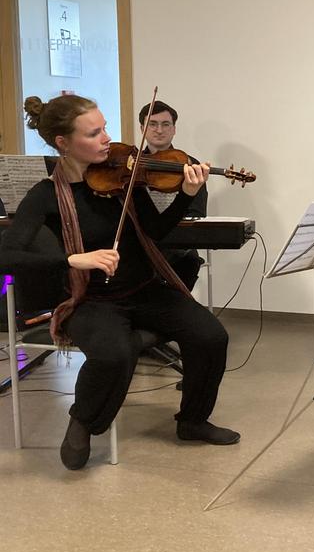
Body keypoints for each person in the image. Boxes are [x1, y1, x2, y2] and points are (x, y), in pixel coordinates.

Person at [0, 94, 239, 471]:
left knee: (211, 336)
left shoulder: (122, 178)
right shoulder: (45, 196)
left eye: (105, 128)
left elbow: (155, 231)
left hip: (144, 290)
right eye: (94, 133)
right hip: (91, 299)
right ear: (63, 143)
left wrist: (186, 196)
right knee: (114, 353)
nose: (107, 138)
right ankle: (83, 420)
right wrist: (71, 259)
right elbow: (7, 255)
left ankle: (193, 421)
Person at [138, 100, 207, 290]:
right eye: (152, 124)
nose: (159, 130)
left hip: (178, 247)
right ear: (142, 128)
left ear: (174, 129)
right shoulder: (131, 166)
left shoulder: (191, 166)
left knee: (187, 262)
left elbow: (197, 213)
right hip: (140, 243)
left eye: (166, 124)